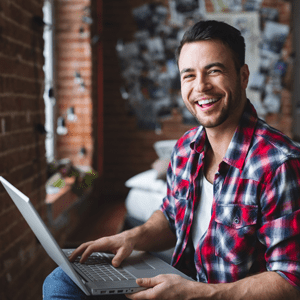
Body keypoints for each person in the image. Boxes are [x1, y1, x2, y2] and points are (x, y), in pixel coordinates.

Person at [43, 20, 300, 299]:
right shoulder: (185, 148)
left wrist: (199, 294)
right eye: (189, 75)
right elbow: (171, 217)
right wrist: (131, 237)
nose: (201, 86)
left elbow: (290, 281)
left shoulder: (279, 164)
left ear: (243, 76)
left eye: (214, 71)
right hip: (182, 283)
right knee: (63, 280)